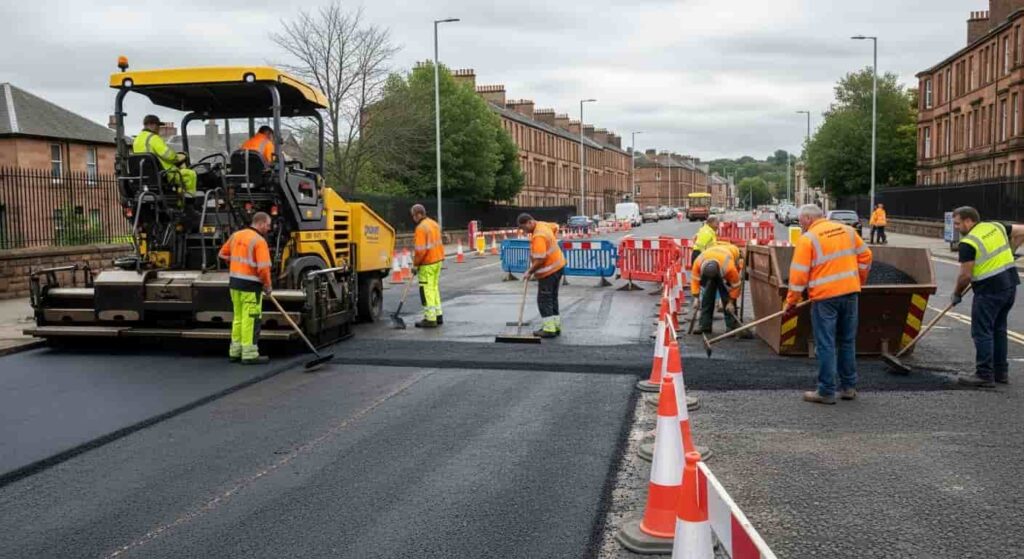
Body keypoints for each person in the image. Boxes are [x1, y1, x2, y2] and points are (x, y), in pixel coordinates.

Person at [785, 204, 872, 405]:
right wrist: (859, 279)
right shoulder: (848, 231)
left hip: (825, 299)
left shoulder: (807, 239)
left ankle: (826, 391)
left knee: (826, 343)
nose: (800, 225)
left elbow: (798, 274)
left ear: (807, 219)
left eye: (800, 221)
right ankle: (849, 387)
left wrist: (791, 302)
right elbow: (866, 256)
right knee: (847, 341)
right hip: (850, 293)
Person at [950, 207, 1023, 387]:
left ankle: (984, 375)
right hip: (1010, 286)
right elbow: (1021, 230)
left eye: (958, 223)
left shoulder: (968, 243)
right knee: (998, 330)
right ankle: (1001, 373)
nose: (957, 228)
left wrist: (957, 293)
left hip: (989, 291)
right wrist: (1013, 248)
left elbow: (965, 276)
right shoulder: (995, 227)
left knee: (982, 331)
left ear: (969, 221)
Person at [218, 212, 273, 364]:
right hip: (251, 287)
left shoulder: (236, 235)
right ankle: (249, 354)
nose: (269, 229)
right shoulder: (259, 241)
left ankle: (235, 351)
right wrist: (268, 286)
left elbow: (222, 254)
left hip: (234, 284)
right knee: (251, 319)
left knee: (238, 318)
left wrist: (237, 265)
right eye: (268, 225)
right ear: (261, 223)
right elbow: (263, 269)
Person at [519, 213, 566, 338]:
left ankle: (549, 329)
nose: (524, 231)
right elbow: (555, 226)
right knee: (552, 298)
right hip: (558, 266)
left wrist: (530, 271)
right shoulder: (543, 225)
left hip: (549, 271)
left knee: (544, 300)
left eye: (524, 228)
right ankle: (555, 326)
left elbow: (540, 259)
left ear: (530, 222)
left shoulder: (538, 236)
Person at [690, 242, 747, 336]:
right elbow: (695, 280)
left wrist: (731, 302)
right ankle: (705, 326)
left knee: (726, 295)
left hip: (730, 256)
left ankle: (731, 326)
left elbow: (736, 286)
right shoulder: (698, 262)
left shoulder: (729, 268)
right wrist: (696, 298)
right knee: (707, 295)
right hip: (716, 255)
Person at [133, 114, 197, 194]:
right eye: (158, 126)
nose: (159, 129)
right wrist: (178, 157)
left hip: (145, 176)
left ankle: (179, 197)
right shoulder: (153, 138)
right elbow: (169, 155)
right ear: (151, 124)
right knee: (190, 174)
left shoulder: (136, 140)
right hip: (164, 174)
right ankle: (189, 200)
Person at [411, 204, 445, 328]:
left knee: (426, 290)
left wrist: (415, 265)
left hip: (427, 263)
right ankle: (438, 314)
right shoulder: (434, 224)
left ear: (419, 214)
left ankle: (430, 318)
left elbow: (420, 250)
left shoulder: (421, 228)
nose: (413, 218)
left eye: (413, 215)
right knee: (434, 288)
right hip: (437, 261)